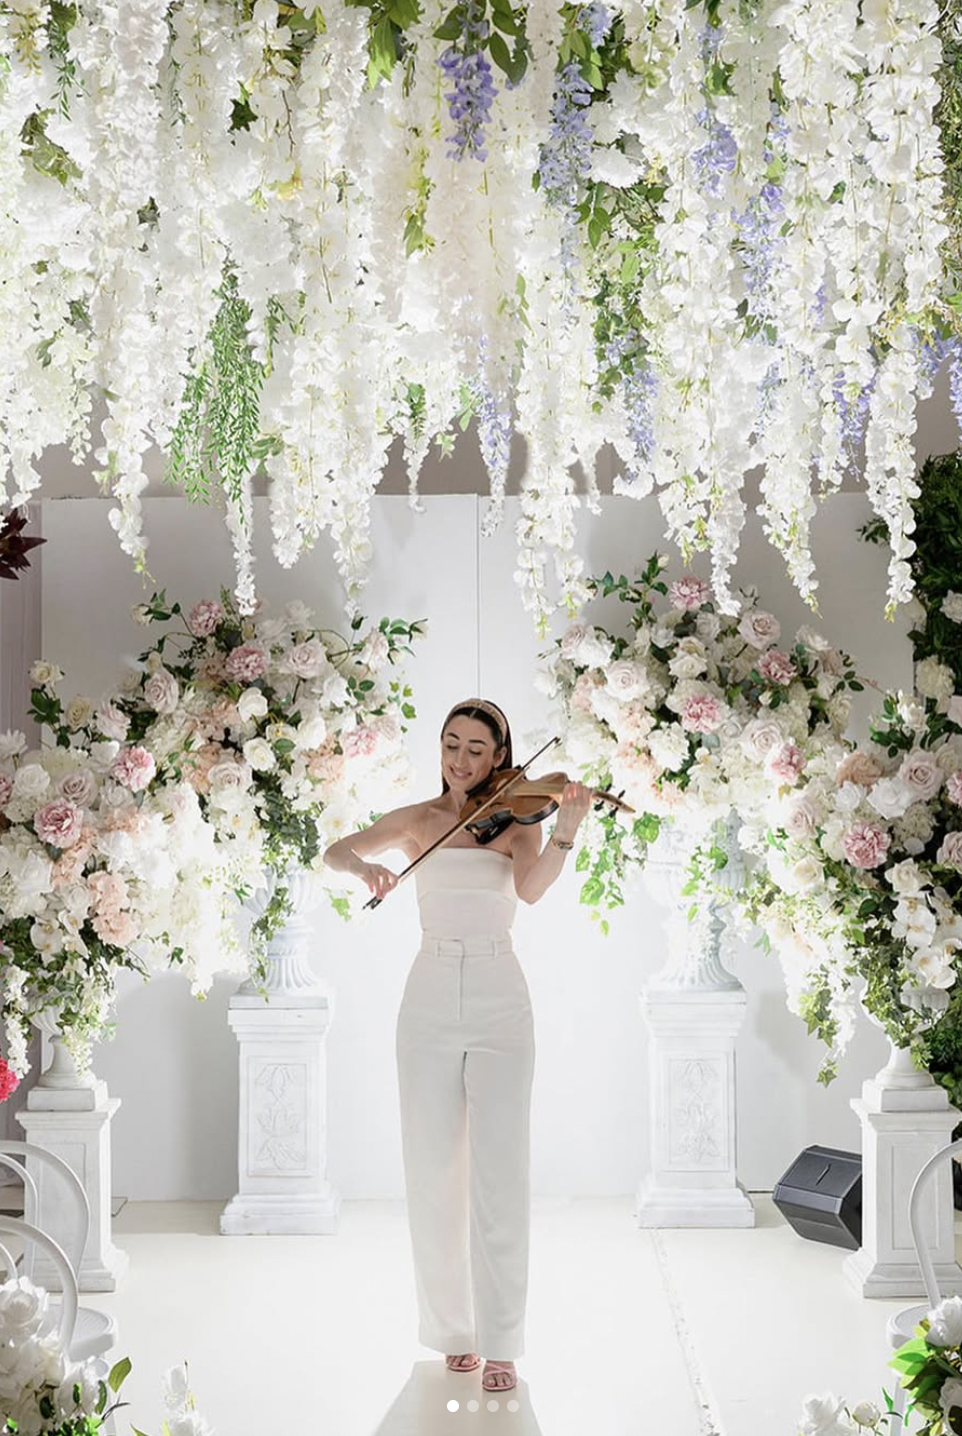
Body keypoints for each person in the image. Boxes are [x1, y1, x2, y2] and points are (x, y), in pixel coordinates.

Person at [323, 699, 591, 1393]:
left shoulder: (515, 821)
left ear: (501, 757)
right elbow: (338, 848)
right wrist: (366, 871)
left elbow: (530, 892)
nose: (462, 760)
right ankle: (453, 1330)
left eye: (476, 749)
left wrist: (566, 828)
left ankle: (503, 1340)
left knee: (501, 1170)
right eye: (451, 745)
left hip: (501, 994)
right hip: (430, 996)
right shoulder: (419, 821)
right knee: (434, 1168)